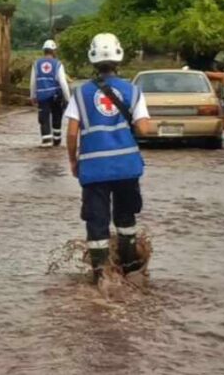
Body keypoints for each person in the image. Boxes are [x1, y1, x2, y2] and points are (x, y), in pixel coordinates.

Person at [64, 33, 152, 284]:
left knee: (97, 221)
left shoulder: (80, 94)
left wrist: (73, 160)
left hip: (93, 168)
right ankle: (129, 269)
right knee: (126, 219)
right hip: (126, 166)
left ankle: (101, 276)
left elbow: (71, 133)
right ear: (119, 58)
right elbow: (144, 129)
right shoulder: (133, 91)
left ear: (92, 59)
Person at [30, 39, 72, 147]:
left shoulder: (36, 64)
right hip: (55, 96)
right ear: (54, 51)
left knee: (44, 119)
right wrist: (68, 99)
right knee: (57, 117)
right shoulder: (58, 64)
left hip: (42, 97)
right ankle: (57, 140)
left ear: (44, 50)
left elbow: (33, 82)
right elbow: (63, 83)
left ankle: (46, 141)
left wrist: (32, 96)